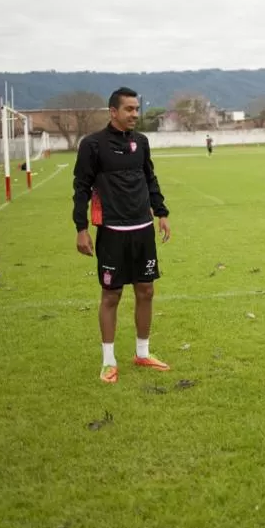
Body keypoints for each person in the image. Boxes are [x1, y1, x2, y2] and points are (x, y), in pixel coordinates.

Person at [73, 87, 172, 384]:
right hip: (112, 232)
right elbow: (81, 187)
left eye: (136, 109)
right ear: (113, 112)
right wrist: (81, 228)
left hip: (142, 229)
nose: (135, 114)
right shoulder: (92, 145)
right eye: (129, 109)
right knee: (111, 295)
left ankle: (142, 352)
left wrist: (161, 211)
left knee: (146, 291)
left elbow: (149, 177)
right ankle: (108, 361)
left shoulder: (141, 142)